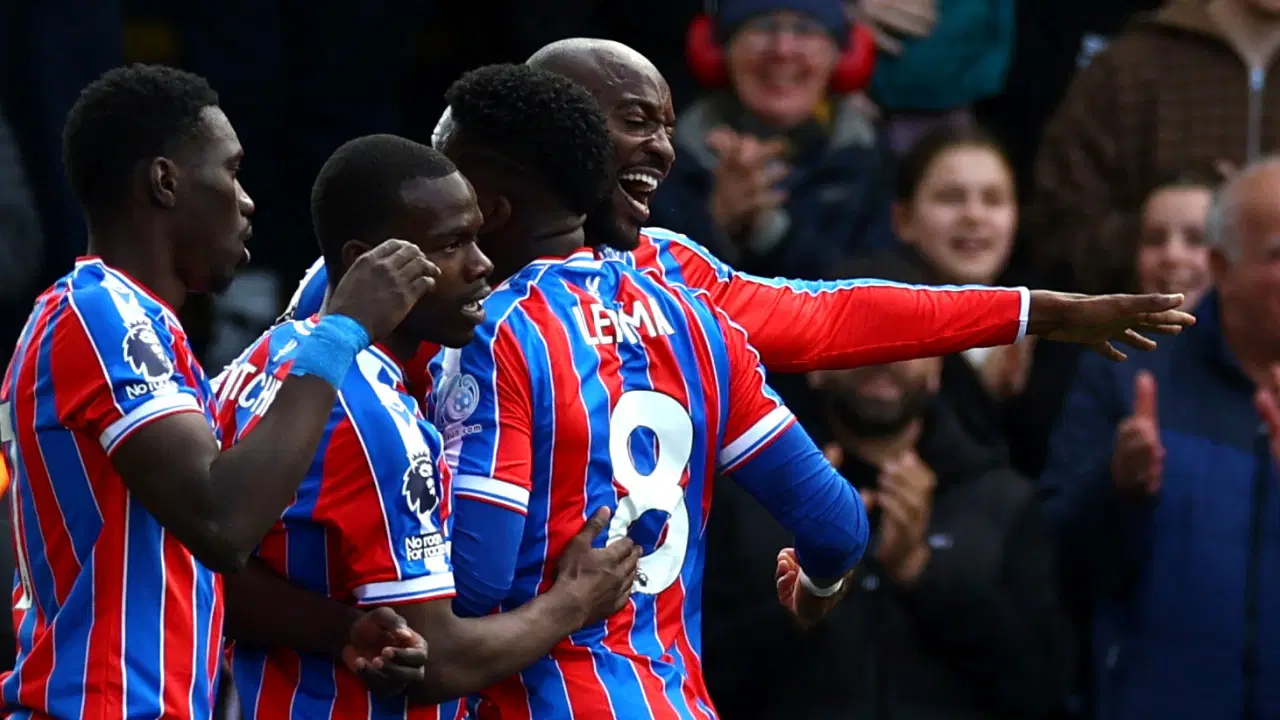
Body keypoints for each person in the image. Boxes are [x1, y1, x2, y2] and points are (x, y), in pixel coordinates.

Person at [285, 38, 1198, 378]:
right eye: (635, 123)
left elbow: (834, 315)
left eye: (668, 126)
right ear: (550, 130)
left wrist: (1031, 312)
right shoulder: (377, 276)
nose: (664, 151)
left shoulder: (665, 272)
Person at [428, 62, 867, 719]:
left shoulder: (494, 331)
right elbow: (837, 523)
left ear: (487, 210)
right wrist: (817, 585)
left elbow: (475, 579)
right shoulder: (696, 320)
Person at [0, 64, 435, 720]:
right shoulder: (99, 314)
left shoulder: (132, 324)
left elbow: (195, 556)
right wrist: (341, 332)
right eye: (231, 172)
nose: (247, 201)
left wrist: (338, 630)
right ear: (165, 181)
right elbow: (223, 524)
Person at [214, 134, 641, 719]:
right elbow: (436, 662)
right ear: (367, 261)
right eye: (451, 245)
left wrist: (341, 627)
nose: (481, 265)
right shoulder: (373, 419)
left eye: (477, 238)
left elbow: (216, 573)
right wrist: (574, 602)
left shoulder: (261, 360)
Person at [704, 249, 1074, 719]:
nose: (882, 356)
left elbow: (1044, 686)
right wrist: (812, 591)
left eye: (905, 338)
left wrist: (922, 573)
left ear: (938, 368)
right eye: (858, 335)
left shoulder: (1003, 500)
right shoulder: (747, 496)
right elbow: (695, 674)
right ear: (812, 364)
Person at [1042, 156, 1280, 718]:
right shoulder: (1127, 371)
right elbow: (1054, 561)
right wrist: (1118, 488)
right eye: (1277, 254)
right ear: (1221, 267)